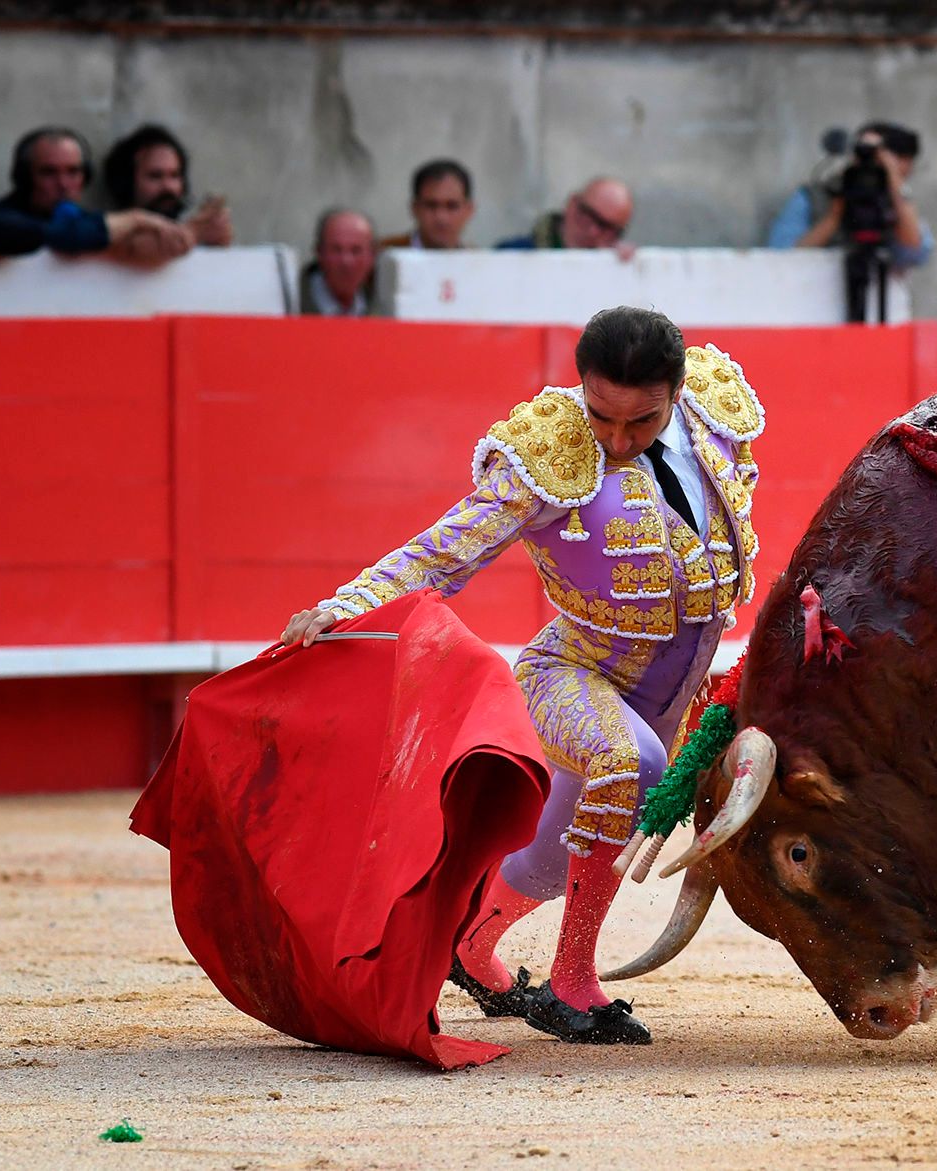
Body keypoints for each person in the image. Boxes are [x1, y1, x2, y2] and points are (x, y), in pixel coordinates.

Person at [279, 306, 764, 1045]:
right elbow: (443, 552)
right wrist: (345, 605)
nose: (618, 439)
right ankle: (574, 984)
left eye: (642, 422)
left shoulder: (712, 414)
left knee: (545, 857)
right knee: (628, 760)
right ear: (581, 388)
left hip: (674, 685)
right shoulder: (546, 452)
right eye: (602, 415)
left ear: (675, 390)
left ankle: (468, 947)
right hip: (572, 670)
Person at [0, 126, 192, 262]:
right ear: (25, 178)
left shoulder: (81, 218)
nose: (63, 184)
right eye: (49, 172)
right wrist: (135, 218)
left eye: (73, 172)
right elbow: (62, 236)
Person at [771, 122, 934, 270]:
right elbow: (779, 258)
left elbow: (914, 250)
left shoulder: (898, 203)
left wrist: (895, 186)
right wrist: (834, 216)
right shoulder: (815, 196)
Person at [103, 123, 233, 246]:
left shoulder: (194, 239)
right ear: (126, 182)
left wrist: (217, 249)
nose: (168, 186)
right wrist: (192, 233)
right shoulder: (106, 238)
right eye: (155, 176)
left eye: (174, 175)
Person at [496, 176, 635, 260]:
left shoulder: (615, 264)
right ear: (572, 204)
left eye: (608, 228)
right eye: (589, 215)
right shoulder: (513, 253)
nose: (593, 231)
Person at [378, 159, 474, 250]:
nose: (441, 218)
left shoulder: (478, 262)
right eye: (431, 205)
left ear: (469, 210)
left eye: (452, 206)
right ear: (414, 208)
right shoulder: (382, 256)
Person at [298, 208, 376, 316]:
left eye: (356, 250)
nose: (346, 261)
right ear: (319, 252)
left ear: (372, 256)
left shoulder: (386, 309)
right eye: (336, 250)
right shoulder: (288, 307)